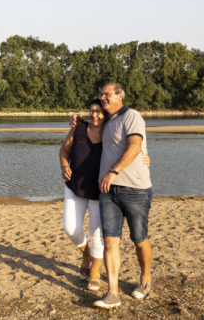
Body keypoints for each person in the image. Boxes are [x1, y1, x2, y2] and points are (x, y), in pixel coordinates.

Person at [93, 82, 153, 310]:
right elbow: (91, 126)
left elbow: (136, 145)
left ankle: (145, 279)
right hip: (108, 191)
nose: (103, 98)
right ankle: (113, 293)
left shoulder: (132, 116)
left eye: (106, 94)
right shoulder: (108, 121)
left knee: (139, 239)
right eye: (101, 95)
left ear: (120, 96)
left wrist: (113, 171)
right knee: (110, 240)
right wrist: (75, 122)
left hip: (135, 189)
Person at [59, 98, 106, 291]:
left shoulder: (111, 131)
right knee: (70, 228)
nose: (94, 114)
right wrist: (63, 166)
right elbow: (64, 150)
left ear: (106, 114)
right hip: (74, 187)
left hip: (98, 190)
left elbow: (131, 143)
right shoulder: (79, 127)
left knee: (97, 233)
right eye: (91, 110)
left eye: (99, 111)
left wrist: (144, 156)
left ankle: (95, 270)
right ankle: (86, 254)